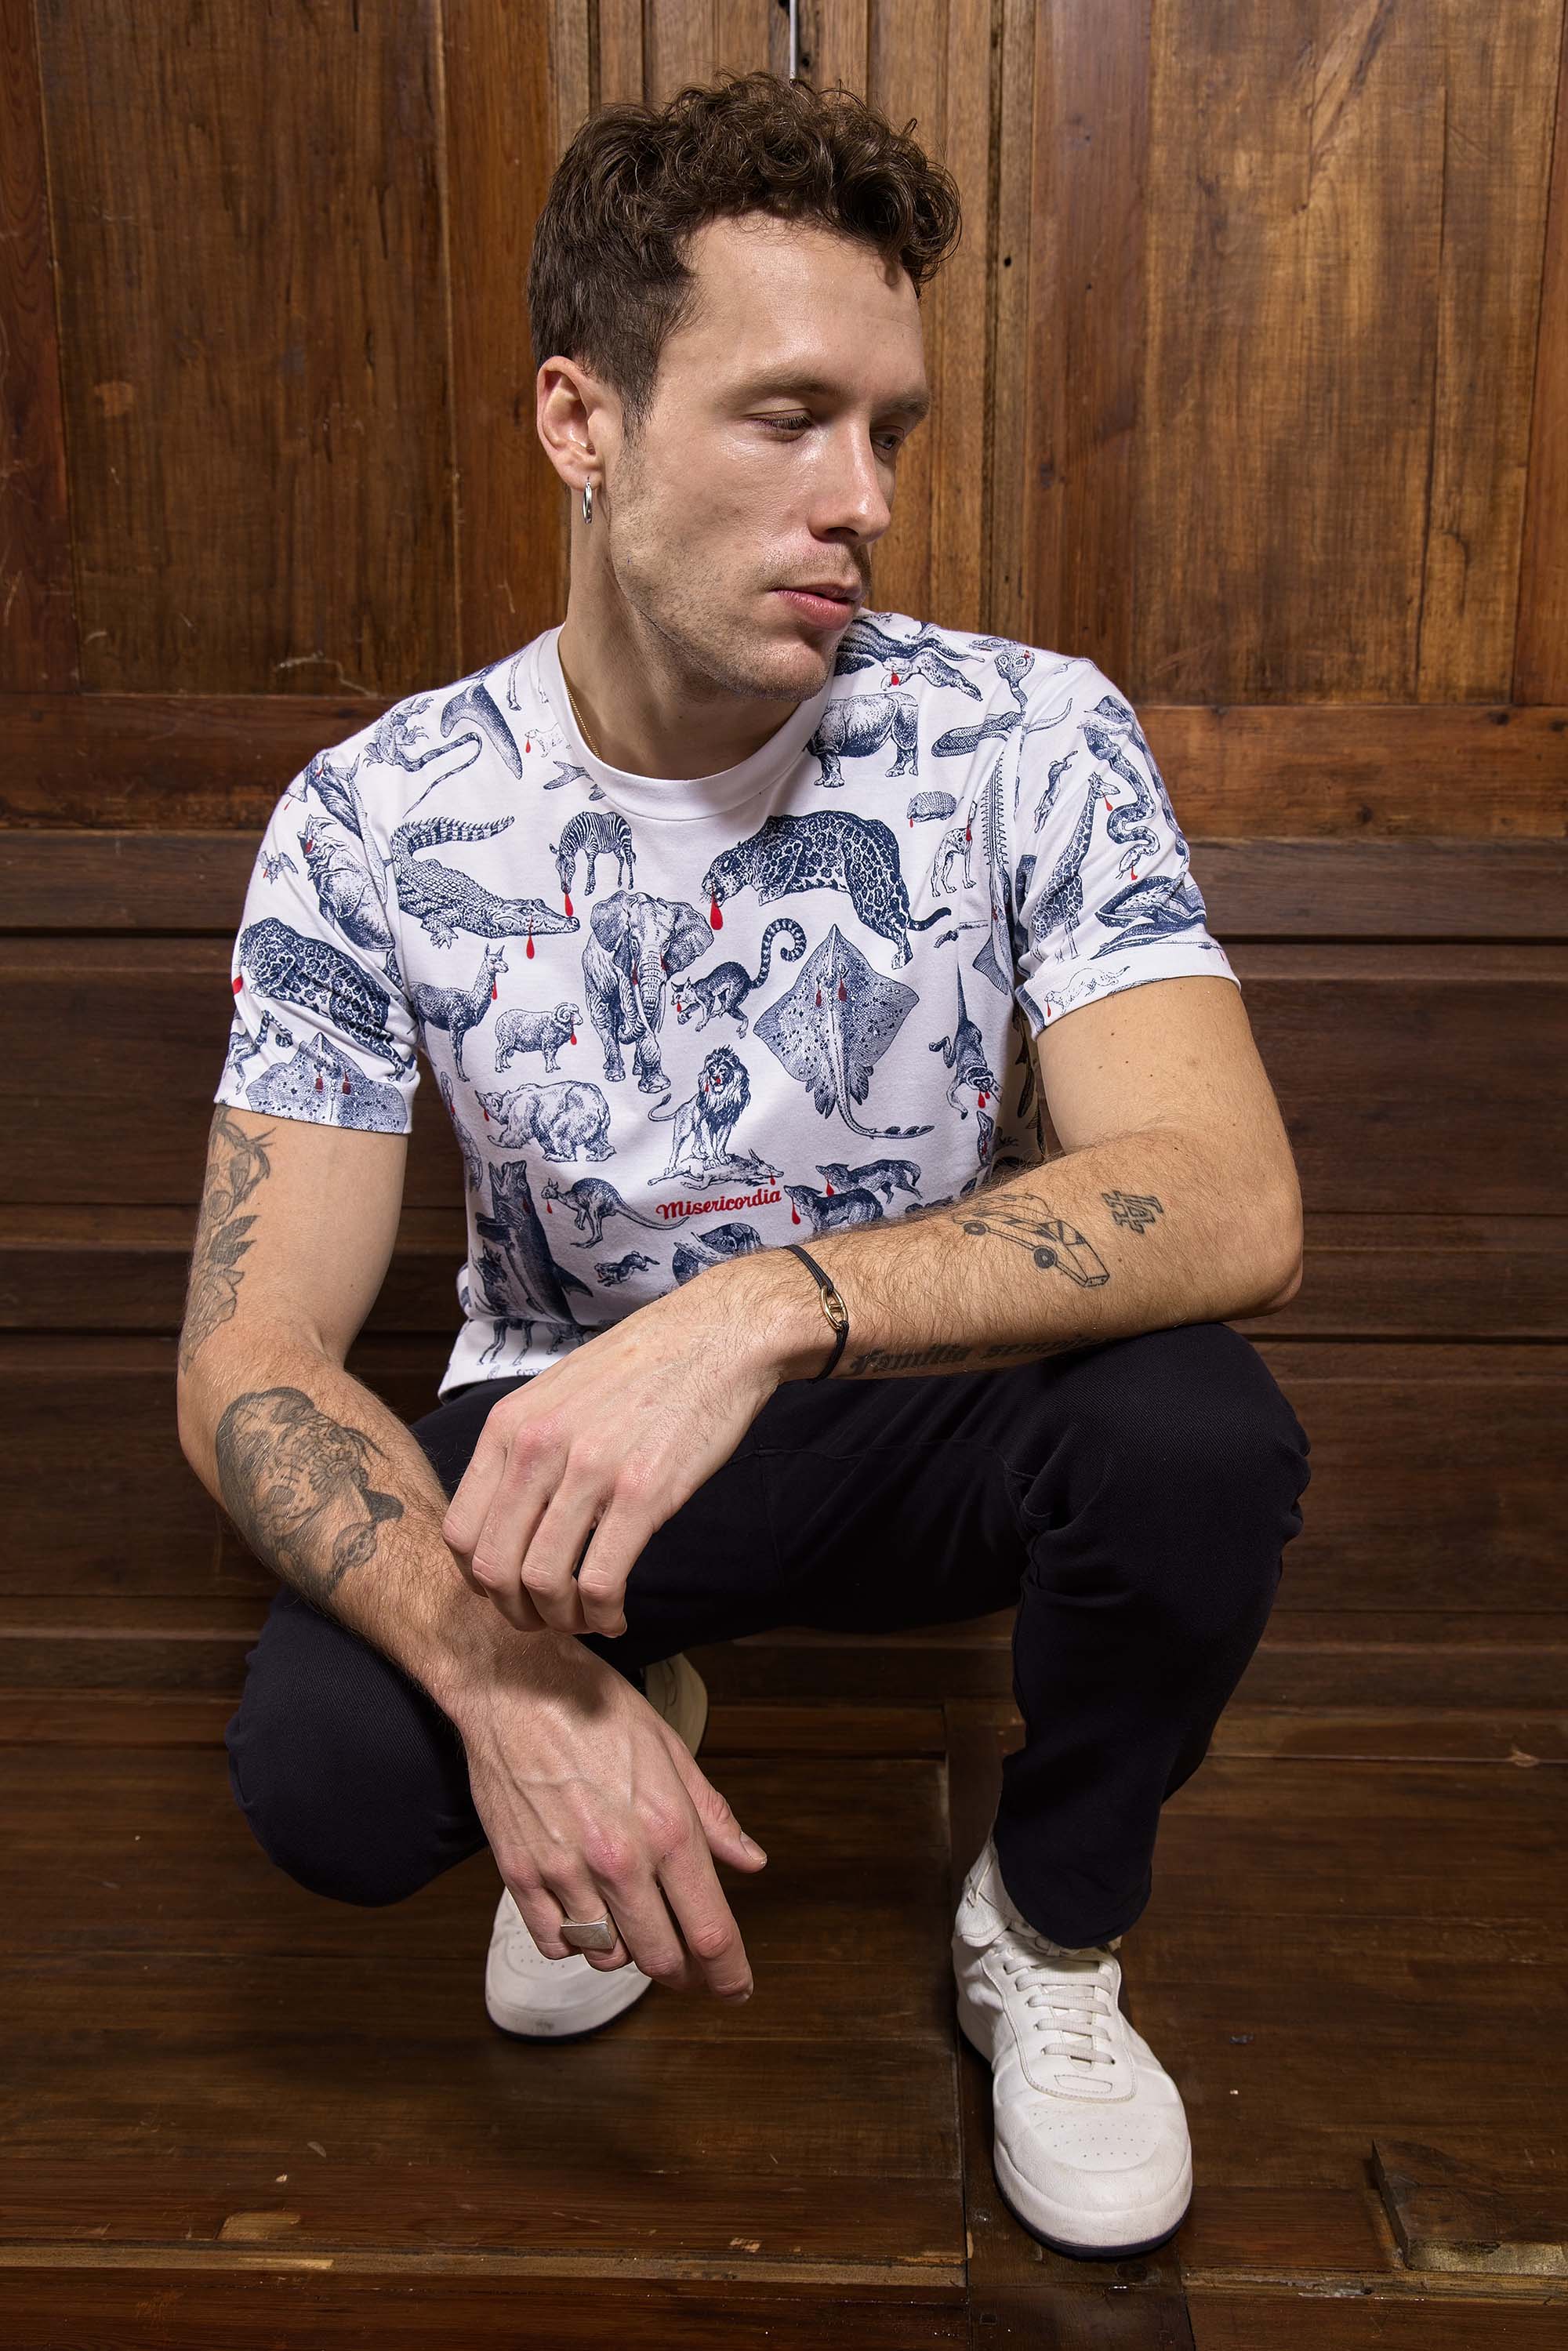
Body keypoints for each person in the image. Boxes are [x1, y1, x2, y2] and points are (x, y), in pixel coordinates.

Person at [176, 71, 1311, 2263]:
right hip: (569, 1450)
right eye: (787, 419)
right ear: (580, 422)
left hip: (918, 1409)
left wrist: (750, 1316)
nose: (862, 499)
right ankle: (625, 1699)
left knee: (1197, 1437)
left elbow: (1231, 1195)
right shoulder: (374, 814)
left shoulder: (1026, 733)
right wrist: (508, 1685)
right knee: (328, 1779)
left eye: (891, 429)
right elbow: (248, 1348)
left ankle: (1050, 1925)